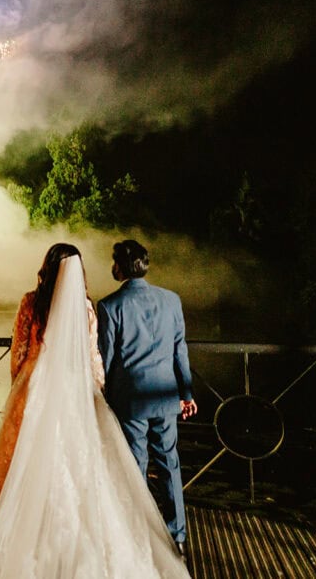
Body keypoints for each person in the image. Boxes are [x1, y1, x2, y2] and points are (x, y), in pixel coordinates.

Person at [0, 243, 188, 578]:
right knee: (82, 468)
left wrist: (18, 392)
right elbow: (94, 360)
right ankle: (150, 536)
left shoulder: (31, 303)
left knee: (26, 467)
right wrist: (97, 393)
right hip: (80, 396)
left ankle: (20, 534)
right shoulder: (88, 308)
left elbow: (18, 353)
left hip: (34, 394)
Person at [97, 239, 197, 558]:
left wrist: (104, 396)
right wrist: (187, 393)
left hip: (131, 399)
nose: (112, 267)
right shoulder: (171, 300)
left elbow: (108, 358)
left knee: (134, 466)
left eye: (114, 262)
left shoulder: (110, 306)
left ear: (122, 267)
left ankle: (137, 534)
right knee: (170, 463)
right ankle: (177, 534)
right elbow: (180, 349)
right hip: (166, 395)